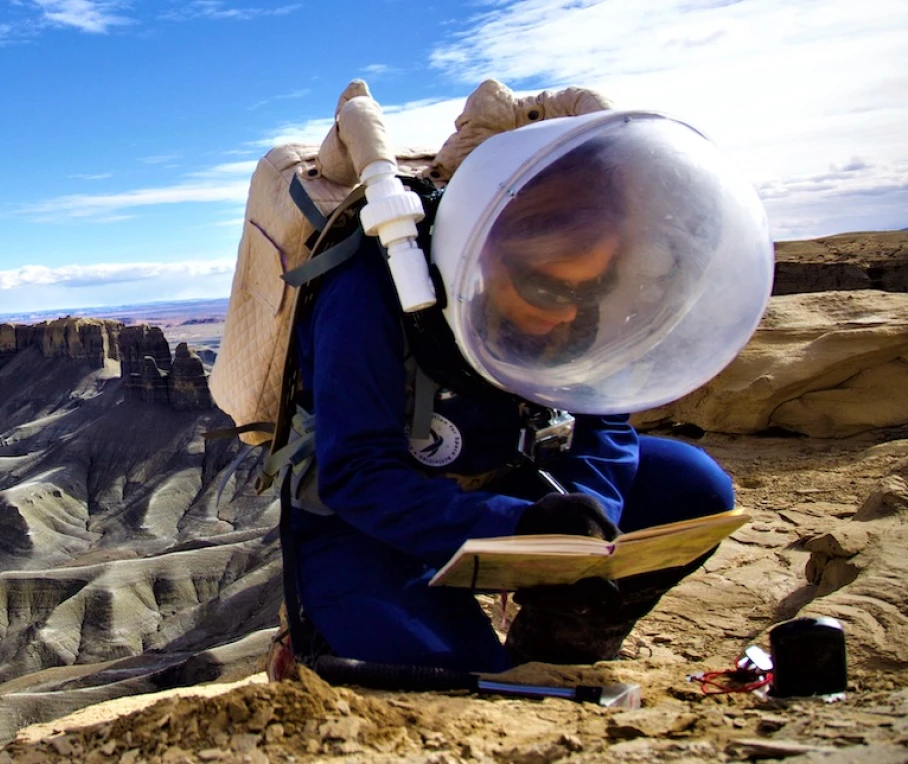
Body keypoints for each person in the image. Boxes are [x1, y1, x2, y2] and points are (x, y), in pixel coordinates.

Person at [282, 113, 770, 673]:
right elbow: (357, 474)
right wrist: (519, 529)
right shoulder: (368, 292)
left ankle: (560, 644)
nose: (567, 311)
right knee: (447, 678)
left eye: (593, 288)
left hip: (514, 477)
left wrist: (585, 529)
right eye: (546, 287)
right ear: (483, 264)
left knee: (693, 486)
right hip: (372, 515)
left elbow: (605, 416)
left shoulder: (573, 300)